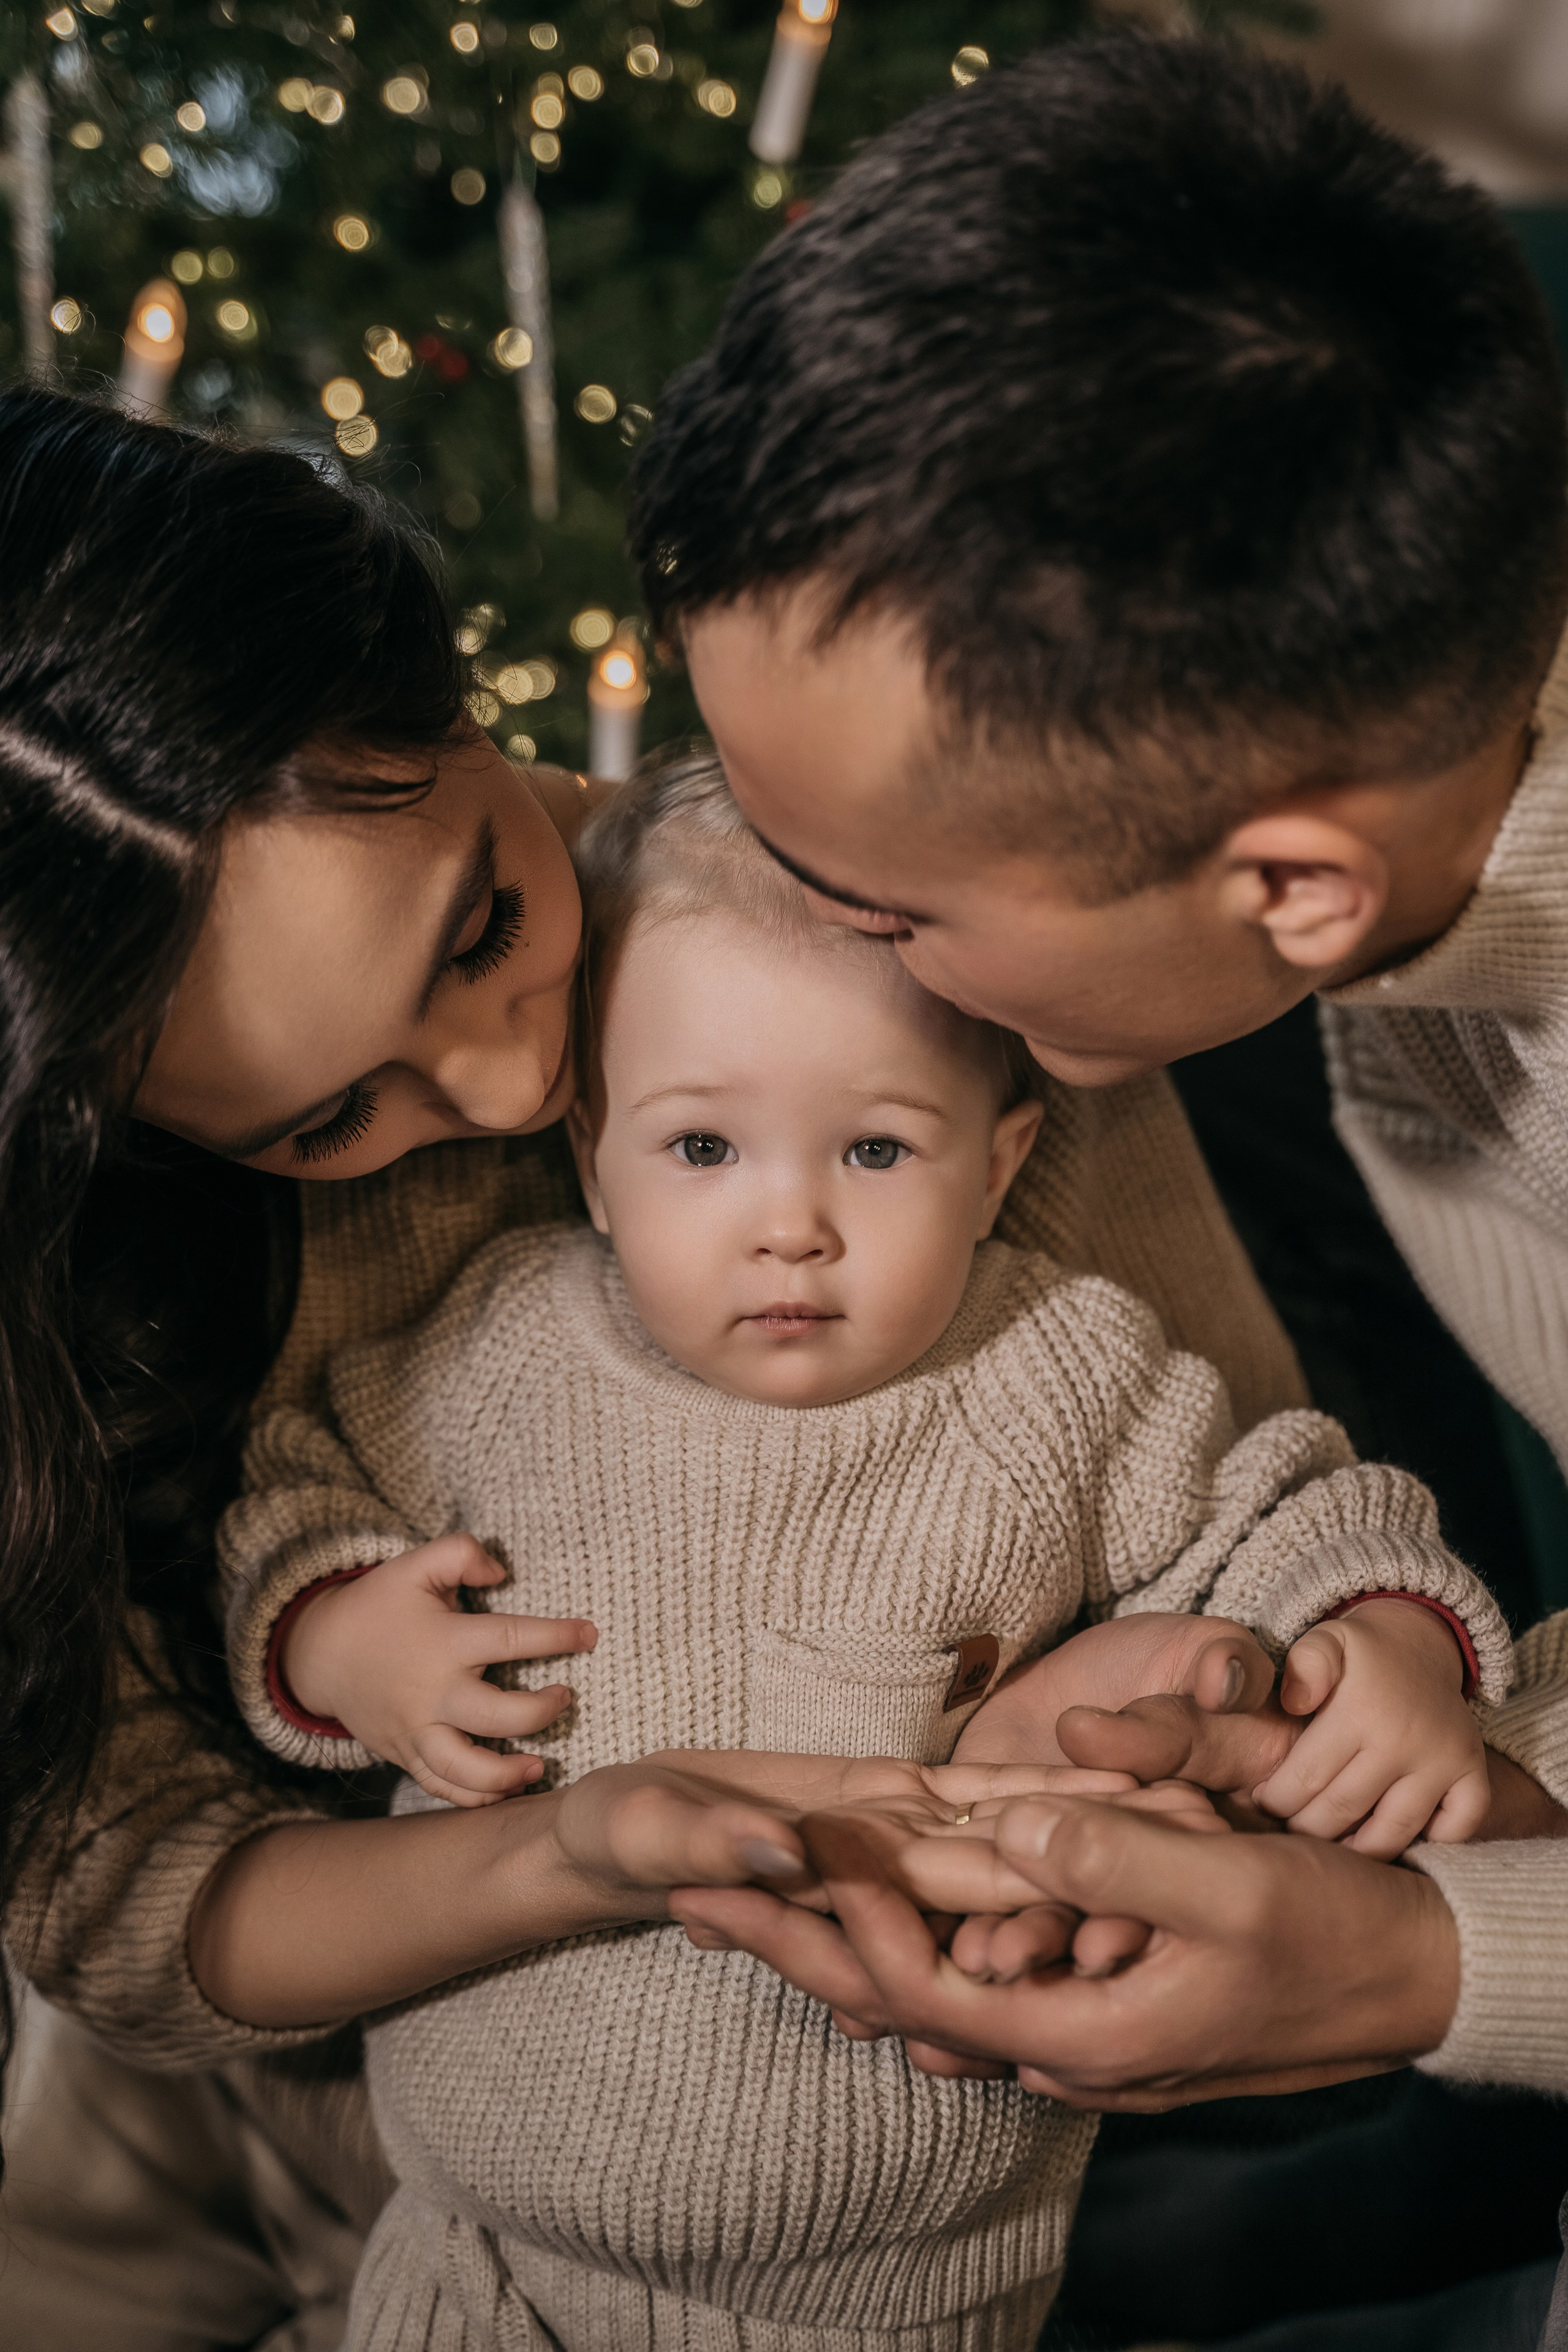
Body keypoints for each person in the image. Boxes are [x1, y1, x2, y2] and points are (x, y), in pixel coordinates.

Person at [0, 381, 1310, 2351]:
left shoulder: (895, 961)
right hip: (318, 2169)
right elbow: (129, 1899)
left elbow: (1240, 1504)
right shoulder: (104, 1273)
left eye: (478, 928)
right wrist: (555, 1837)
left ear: (445, 696)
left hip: (893, 2202)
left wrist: (1117, 1726)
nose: (528, 1084)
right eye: (318, 1123)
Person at [620, 20, 1568, 2202]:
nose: (831, 947)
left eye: (883, 904)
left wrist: (1425, 1964)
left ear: (1291, 889)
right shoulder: (1407, 836)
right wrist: (1409, 1777)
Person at [216, 751, 1507, 2351]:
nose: (792, 1225)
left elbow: (1289, 1501)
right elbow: (291, 1488)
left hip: (911, 2283)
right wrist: (341, 1635)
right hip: (482, 2256)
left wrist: (1388, 1635)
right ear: (593, 1166)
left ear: (1003, 1165)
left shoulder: (1055, 1374)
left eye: (877, 1153)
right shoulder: (502, 1352)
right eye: (702, 1151)